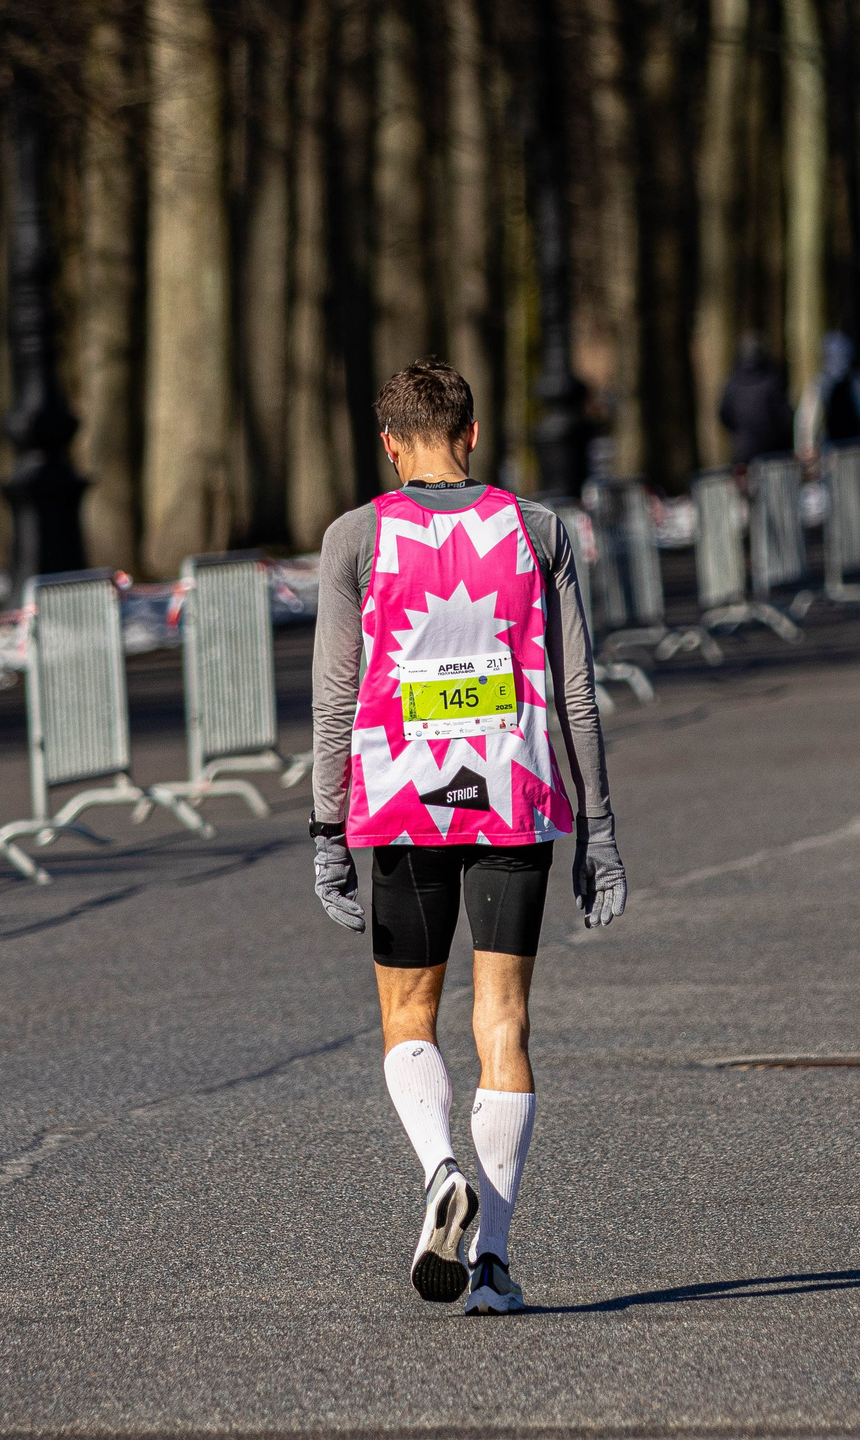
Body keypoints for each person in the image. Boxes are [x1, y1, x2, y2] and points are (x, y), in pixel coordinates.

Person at [309, 359, 629, 1316]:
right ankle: (490, 1262)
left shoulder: (357, 539)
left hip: (404, 805)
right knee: (505, 1022)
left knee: (409, 1018)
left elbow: (334, 698)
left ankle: (439, 1165)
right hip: (513, 797)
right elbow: (575, 692)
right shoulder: (536, 532)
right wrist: (598, 828)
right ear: (475, 435)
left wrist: (327, 827)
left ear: (389, 443)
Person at [796, 330, 860, 463]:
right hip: (830, 450)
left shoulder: (857, 381)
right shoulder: (821, 384)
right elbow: (808, 420)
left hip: (855, 446)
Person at [717, 334, 794, 468]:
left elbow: (724, 416)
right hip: (773, 454)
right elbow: (786, 418)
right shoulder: (772, 382)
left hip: (742, 454)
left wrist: (740, 433)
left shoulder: (732, 385)